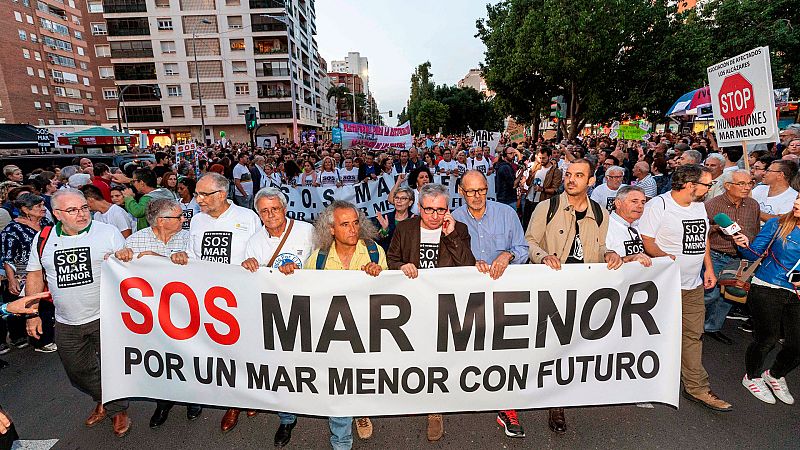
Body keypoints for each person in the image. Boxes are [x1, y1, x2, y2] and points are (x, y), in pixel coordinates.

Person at [525, 158, 622, 434]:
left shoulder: (601, 214)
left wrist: (610, 254)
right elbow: (529, 241)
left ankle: (559, 399)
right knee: (548, 345)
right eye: (569, 174)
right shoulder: (548, 207)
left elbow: (602, 246)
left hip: (584, 291)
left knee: (570, 347)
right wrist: (543, 257)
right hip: (551, 289)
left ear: (591, 181)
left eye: (579, 175)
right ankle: (541, 394)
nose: (571, 179)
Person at [24, 189, 131, 436]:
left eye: (84, 207)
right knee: (78, 371)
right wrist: (32, 313)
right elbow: (35, 274)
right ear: (57, 214)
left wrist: (124, 257)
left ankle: (117, 410)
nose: (82, 214)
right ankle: (103, 398)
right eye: (73, 210)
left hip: (106, 317)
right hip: (66, 321)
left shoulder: (108, 233)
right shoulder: (43, 238)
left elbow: (128, 270)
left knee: (113, 367)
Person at [288, 201, 387, 448]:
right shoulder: (318, 260)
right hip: (333, 338)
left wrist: (378, 276)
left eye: (355, 223)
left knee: (362, 380)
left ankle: (360, 410)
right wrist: (287, 274)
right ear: (331, 229)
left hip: (366, 334)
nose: (353, 229)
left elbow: (390, 295)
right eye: (345, 225)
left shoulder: (374, 252)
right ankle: (341, 440)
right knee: (339, 388)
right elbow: (300, 293)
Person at [170, 172, 261, 433]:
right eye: (197, 193)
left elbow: (260, 253)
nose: (197, 199)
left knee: (247, 352)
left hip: (243, 298)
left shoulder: (248, 219)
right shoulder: (197, 221)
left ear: (221, 195)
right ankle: (234, 402)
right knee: (224, 353)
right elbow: (194, 253)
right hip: (209, 300)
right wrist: (181, 255)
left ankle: (251, 395)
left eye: (203, 194)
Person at [640, 164, 732, 412]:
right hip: (663, 287)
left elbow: (702, 239)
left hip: (693, 285)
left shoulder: (699, 206)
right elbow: (646, 240)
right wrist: (665, 259)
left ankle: (697, 388)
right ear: (691, 185)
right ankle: (645, 384)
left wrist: (709, 269)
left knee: (693, 336)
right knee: (654, 336)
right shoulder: (658, 206)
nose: (710, 188)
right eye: (707, 184)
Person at [387, 183, 475, 442]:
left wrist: (450, 236)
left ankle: (434, 410)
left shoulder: (458, 229)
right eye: (429, 210)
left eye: (440, 210)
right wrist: (402, 266)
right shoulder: (404, 229)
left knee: (437, 359)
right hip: (409, 306)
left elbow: (467, 266)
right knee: (410, 355)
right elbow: (391, 260)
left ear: (448, 209)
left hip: (443, 307)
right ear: (419, 208)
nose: (435, 216)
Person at [113, 199, 203, 428]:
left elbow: (203, 267)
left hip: (186, 310)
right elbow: (118, 269)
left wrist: (178, 261)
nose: (184, 220)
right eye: (179, 217)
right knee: (161, 358)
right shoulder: (135, 240)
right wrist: (120, 257)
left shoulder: (189, 237)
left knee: (189, 353)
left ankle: (194, 398)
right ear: (161, 221)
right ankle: (163, 402)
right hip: (153, 314)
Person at [451, 171, 528, 438]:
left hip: (503, 296)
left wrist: (508, 254)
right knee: (466, 347)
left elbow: (523, 248)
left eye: (481, 190)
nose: (476, 197)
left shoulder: (506, 213)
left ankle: (507, 408)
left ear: (488, 189)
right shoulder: (453, 220)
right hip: (467, 297)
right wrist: (467, 264)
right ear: (461, 191)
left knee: (506, 352)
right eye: (470, 191)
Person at [735, 193, 800, 405]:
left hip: (796, 294)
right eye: (798, 197)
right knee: (767, 339)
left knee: (797, 344)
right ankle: (752, 376)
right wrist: (742, 243)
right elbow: (754, 254)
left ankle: (774, 375)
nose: (796, 203)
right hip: (768, 286)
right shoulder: (778, 224)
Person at [702, 170, 760, 345]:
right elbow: (703, 231)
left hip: (741, 259)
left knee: (729, 296)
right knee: (710, 294)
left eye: (749, 183)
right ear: (728, 186)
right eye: (741, 184)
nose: (747, 187)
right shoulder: (711, 205)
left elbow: (756, 230)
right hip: (716, 256)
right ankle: (689, 326)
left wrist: (754, 251)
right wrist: (716, 229)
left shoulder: (753, 205)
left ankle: (712, 327)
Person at [0, 194, 56, 354]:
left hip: (48, 270)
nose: (43, 208)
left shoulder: (46, 222)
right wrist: (11, 280)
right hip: (25, 274)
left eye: (43, 205)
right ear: (25, 210)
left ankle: (44, 336)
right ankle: (39, 341)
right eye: (38, 206)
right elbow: (7, 257)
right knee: (34, 306)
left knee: (47, 304)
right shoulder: (12, 230)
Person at [241, 187, 314, 272]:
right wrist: (249, 266)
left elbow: (320, 265)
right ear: (259, 215)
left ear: (285, 210)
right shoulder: (254, 241)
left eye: (275, 209)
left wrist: (298, 272)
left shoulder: (308, 230)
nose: (270, 215)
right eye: (264, 211)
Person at [605, 186, 652, 267]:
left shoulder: (640, 225)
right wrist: (628, 259)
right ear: (618, 203)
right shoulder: (605, 226)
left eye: (643, 202)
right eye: (634, 201)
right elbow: (599, 260)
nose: (640, 206)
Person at [522, 147, 561, 230]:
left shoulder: (555, 172)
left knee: (538, 227)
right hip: (529, 200)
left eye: (544, 158)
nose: (541, 160)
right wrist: (530, 175)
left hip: (542, 202)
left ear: (549, 157)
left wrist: (542, 189)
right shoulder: (535, 167)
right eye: (539, 158)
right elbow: (528, 183)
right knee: (526, 224)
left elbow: (555, 190)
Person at [375, 185, 415, 251]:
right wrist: (384, 230)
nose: (399, 201)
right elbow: (377, 241)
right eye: (396, 198)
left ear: (410, 203)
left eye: (403, 198)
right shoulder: (385, 218)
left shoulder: (414, 219)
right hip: (388, 256)